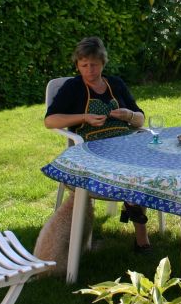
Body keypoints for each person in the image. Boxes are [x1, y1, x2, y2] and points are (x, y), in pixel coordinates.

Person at [44, 36, 151, 252]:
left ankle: (133, 205)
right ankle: (140, 231)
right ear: (78, 65)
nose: (89, 70)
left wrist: (128, 114)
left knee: (146, 165)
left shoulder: (116, 84)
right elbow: (50, 120)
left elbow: (140, 119)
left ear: (103, 63)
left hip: (125, 141)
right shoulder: (72, 88)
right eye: (84, 65)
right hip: (92, 147)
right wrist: (84, 118)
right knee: (131, 170)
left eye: (94, 64)